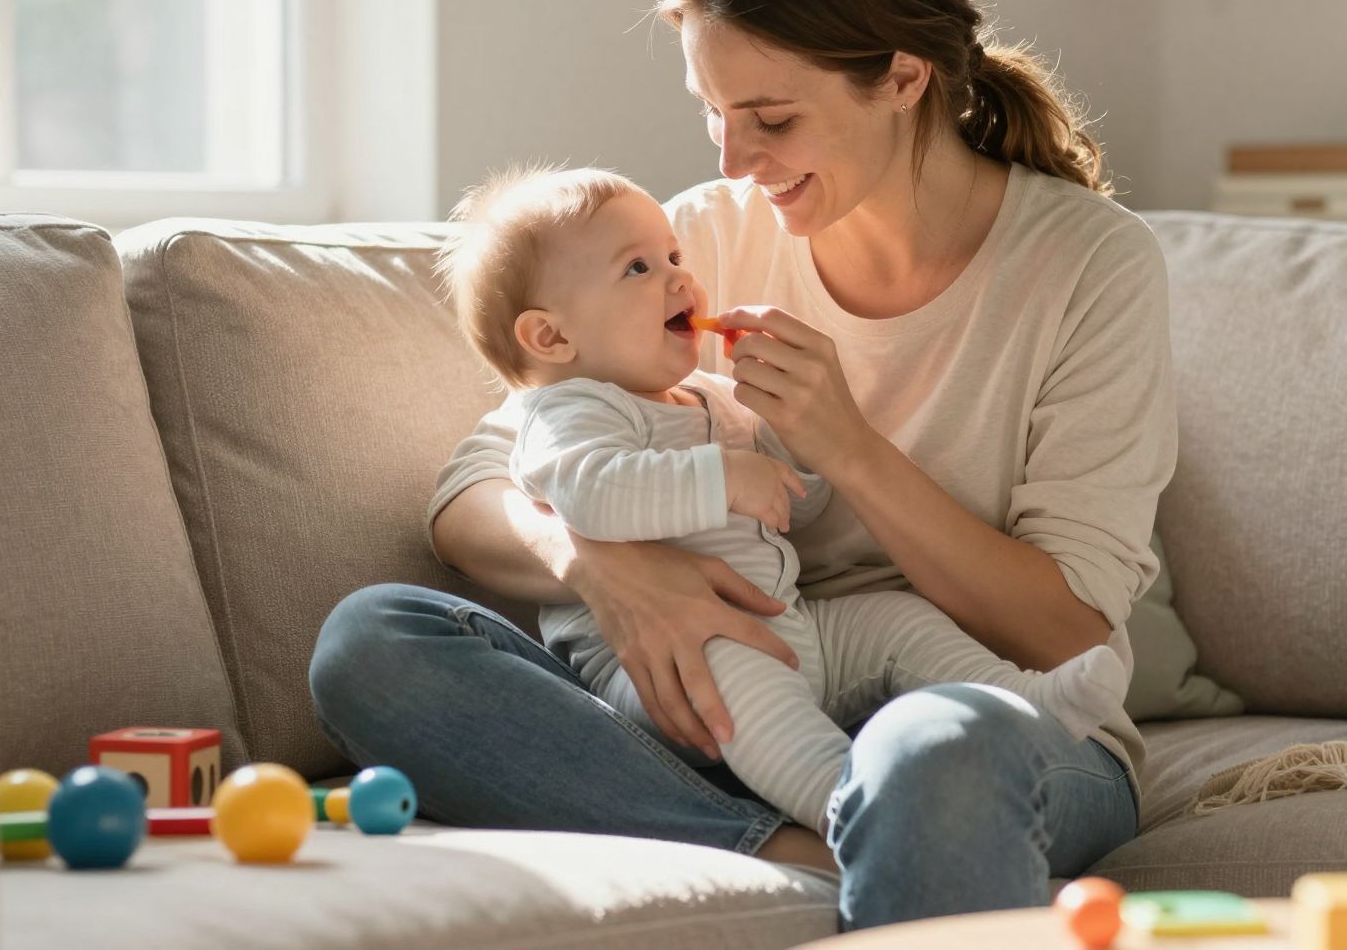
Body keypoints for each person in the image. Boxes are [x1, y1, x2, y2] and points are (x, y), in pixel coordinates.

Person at [308, 0, 1177, 930]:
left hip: (981, 720)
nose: (732, 157)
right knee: (372, 643)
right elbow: (473, 489)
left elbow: (1065, 631)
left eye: (769, 116)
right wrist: (600, 568)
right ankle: (794, 841)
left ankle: (826, 817)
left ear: (903, 77)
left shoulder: (1088, 266)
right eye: (713, 112)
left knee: (926, 753)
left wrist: (849, 449)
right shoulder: (698, 238)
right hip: (723, 700)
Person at [431, 163, 1130, 834]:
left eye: (673, 257)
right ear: (551, 336)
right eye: (639, 268)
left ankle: (1028, 700)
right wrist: (718, 483)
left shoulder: (706, 394)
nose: (679, 276)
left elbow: (793, 507)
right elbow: (587, 493)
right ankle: (844, 807)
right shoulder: (571, 408)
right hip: (679, 666)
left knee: (897, 623)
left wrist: (803, 449)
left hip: (788, 624)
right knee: (733, 678)